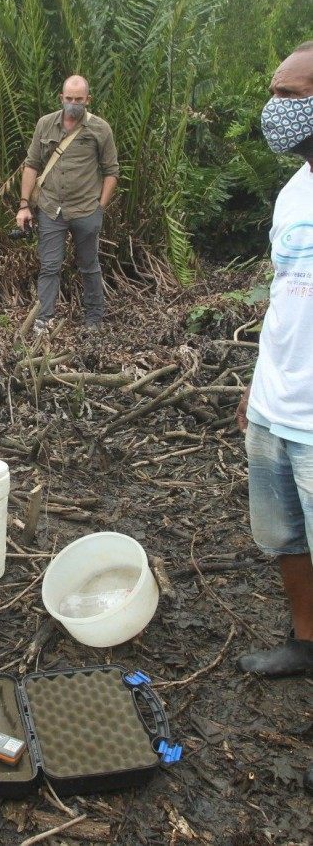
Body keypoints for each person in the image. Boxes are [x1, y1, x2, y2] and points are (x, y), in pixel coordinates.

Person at [234, 41, 313, 795]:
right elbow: (283, 294)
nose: (277, 105)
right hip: (275, 406)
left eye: (291, 92)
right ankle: (302, 641)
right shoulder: (293, 192)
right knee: (282, 540)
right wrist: (255, 390)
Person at [16, 75, 119, 333]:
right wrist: (24, 204)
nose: (73, 104)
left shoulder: (100, 128)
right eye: (69, 99)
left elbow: (111, 171)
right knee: (49, 266)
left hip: (86, 209)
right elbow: (31, 165)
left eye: (79, 99)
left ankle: (94, 319)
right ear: (61, 98)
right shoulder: (45, 124)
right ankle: (43, 319)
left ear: (88, 100)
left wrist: (100, 208)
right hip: (51, 209)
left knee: (89, 265)